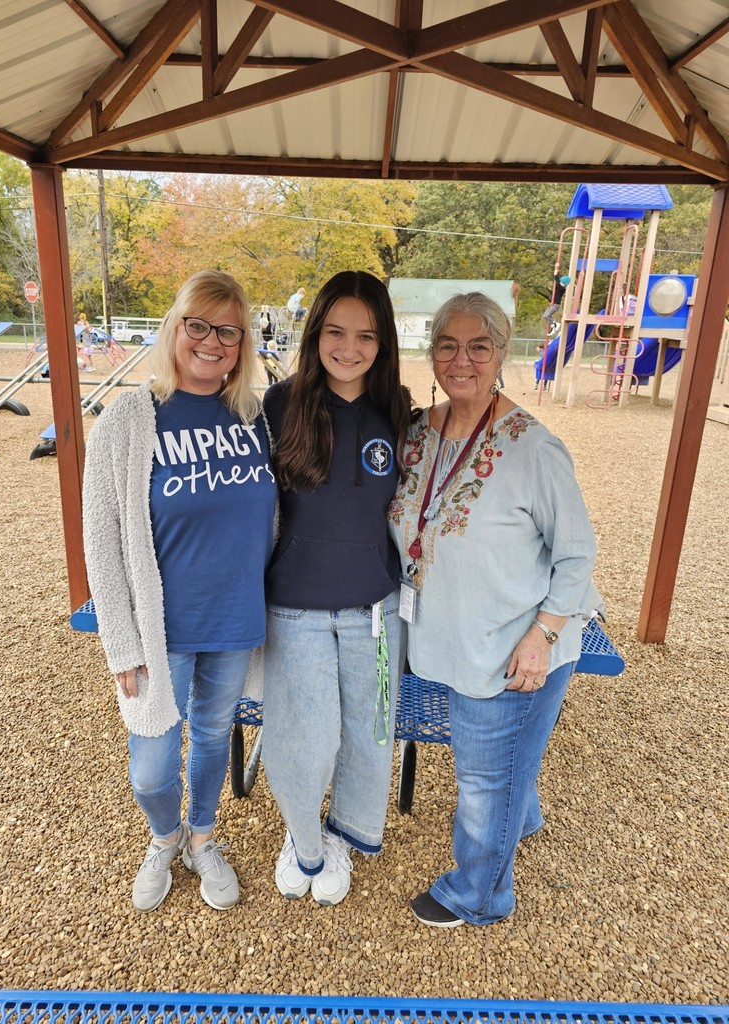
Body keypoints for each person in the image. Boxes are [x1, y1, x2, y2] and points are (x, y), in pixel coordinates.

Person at [388, 291, 598, 928]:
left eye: (479, 345)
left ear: (502, 353)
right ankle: (520, 813)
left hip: (514, 649)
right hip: (454, 640)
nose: (463, 359)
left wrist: (543, 635)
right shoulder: (420, 433)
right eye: (448, 345)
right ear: (433, 355)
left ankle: (478, 894)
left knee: (481, 782)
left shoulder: (534, 449)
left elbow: (579, 556)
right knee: (502, 768)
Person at [82, 270, 277, 914]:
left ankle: (201, 836)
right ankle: (163, 836)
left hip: (235, 620)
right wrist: (120, 643)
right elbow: (103, 542)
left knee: (215, 739)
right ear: (175, 327)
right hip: (159, 631)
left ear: (242, 343)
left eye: (227, 330)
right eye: (198, 324)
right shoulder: (130, 419)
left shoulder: (254, 417)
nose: (211, 341)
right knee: (151, 767)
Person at [262, 270, 412, 907]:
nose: (349, 347)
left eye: (367, 335)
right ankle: (304, 842)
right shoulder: (278, 405)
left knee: (373, 728)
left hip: (375, 613)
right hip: (295, 609)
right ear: (315, 332)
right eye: (336, 332)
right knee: (304, 735)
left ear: (384, 342)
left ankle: (344, 835)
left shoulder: (400, 412)